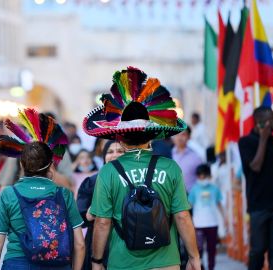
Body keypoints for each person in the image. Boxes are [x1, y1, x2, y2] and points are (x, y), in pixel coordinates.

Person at [83, 67, 201, 270]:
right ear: (151, 135)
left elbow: (103, 222)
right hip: (166, 262)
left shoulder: (109, 172)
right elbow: (182, 216)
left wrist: (97, 260)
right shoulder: (171, 168)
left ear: (120, 138)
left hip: (123, 262)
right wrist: (194, 258)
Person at [0, 108, 85, 270]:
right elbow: (80, 244)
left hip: (17, 263)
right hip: (57, 264)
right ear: (51, 166)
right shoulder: (65, 194)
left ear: (21, 164)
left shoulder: (8, 194)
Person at [238, 106, 273, 270]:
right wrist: (262, 140)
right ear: (260, 122)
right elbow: (255, 166)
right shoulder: (245, 142)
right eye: (270, 120)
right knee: (258, 250)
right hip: (258, 206)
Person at [76, 140, 124, 270]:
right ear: (103, 156)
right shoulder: (91, 182)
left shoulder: (135, 181)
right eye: (110, 152)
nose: (115, 155)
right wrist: (90, 214)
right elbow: (79, 217)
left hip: (125, 245)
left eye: (120, 151)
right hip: (98, 244)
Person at [188, 164, 225, 270]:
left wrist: (224, 218)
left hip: (212, 224)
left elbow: (219, 204)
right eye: (200, 176)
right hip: (198, 224)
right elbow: (189, 205)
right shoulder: (194, 189)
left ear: (209, 175)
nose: (202, 178)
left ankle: (211, 267)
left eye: (204, 176)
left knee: (211, 249)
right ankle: (201, 267)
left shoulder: (215, 189)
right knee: (198, 249)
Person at [172, 127, 203, 193]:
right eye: (177, 134)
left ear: (189, 137)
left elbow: (202, 179)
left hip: (189, 198)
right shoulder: (167, 155)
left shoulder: (196, 158)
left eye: (183, 135)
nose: (179, 138)